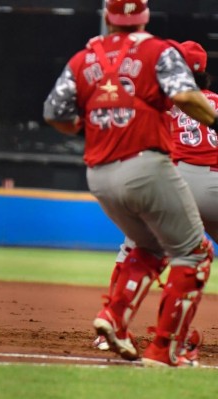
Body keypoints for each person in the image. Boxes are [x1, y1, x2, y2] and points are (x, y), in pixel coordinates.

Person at [43, 0, 217, 367]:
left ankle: (113, 319)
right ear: (146, 16)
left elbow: (54, 112)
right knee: (196, 254)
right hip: (147, 168)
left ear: (108, 17)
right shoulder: (159, 51)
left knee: (149, 247)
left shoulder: (84, 58)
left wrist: (87, 129)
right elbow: (186, 96)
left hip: (100, 173)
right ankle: (165, 350)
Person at [93, 41, 218, 363]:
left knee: (141, 248)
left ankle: (113, 321)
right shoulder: (213, 104)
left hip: (171, 182)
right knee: (196, 258)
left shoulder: (158, 102)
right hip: (215, 184)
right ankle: (173, 342)